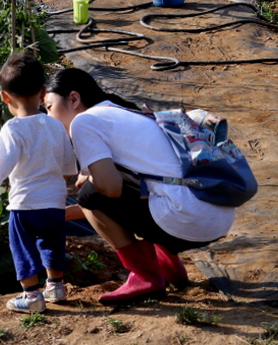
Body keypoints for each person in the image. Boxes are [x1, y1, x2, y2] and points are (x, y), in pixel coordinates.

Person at [43, 68, 235, 304]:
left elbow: (109, 190)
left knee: (89, 195)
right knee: (139, 193)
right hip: (217, 216)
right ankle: (169, 268)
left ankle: (145, 277)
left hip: (189, 222)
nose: (48, 117)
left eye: (49, 107)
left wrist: (89, 179)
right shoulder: (122, 111)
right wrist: (63, 213)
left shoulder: (83, 122)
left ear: (74, 99)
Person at [0, 51, 77, 313]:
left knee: (23, 247)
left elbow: (4, 162)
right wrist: (58, 182)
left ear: (5, 97)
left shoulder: (13, 128)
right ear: (43, 92)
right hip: (55, 202)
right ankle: (56, 286)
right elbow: (68, 161)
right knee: (52, 243)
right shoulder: (55, 125)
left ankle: (31, 296)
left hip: (25, 203)